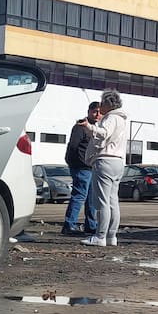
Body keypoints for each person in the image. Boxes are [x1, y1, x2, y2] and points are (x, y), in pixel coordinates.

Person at [79, 90, 128, 247]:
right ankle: (111, 237)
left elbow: (103, 134)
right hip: (118, 162)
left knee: (102, 201)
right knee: (113, 200)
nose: (100, 107)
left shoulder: (111, 118)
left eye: (102, 103)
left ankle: (100, 236)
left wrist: (88, 126)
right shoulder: (122, 120)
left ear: (108, 104)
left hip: (105, 160)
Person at [61, 102, 100, 236]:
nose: (98, 115)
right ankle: (69, 225)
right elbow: (73, 146)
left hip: (92, 167)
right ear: (89, 111)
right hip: (82, 167)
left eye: (100, 112)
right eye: (95, 111)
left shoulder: (96, 128)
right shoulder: (80, 127)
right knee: (79, 196)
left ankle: (90, 225)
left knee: (91, 199)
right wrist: (74, 164)